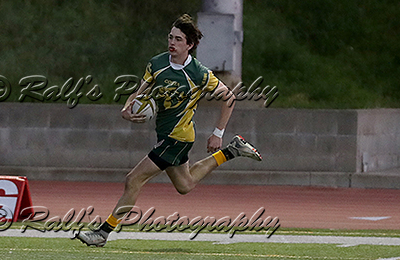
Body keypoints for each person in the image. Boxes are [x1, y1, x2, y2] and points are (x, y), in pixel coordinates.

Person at [76, 14, 261, 247]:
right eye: (170, 37)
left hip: (178, 137)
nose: (172, 42)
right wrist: (127, 107)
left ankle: (102, 233)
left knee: (133, 179)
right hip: (166, 135)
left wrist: (218, 133)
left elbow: (229, 98)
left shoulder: (198, 72)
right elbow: (141, 91)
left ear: (190, 45)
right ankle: (232, 151)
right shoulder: (157, 63)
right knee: (185, 185)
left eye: (178, 39)